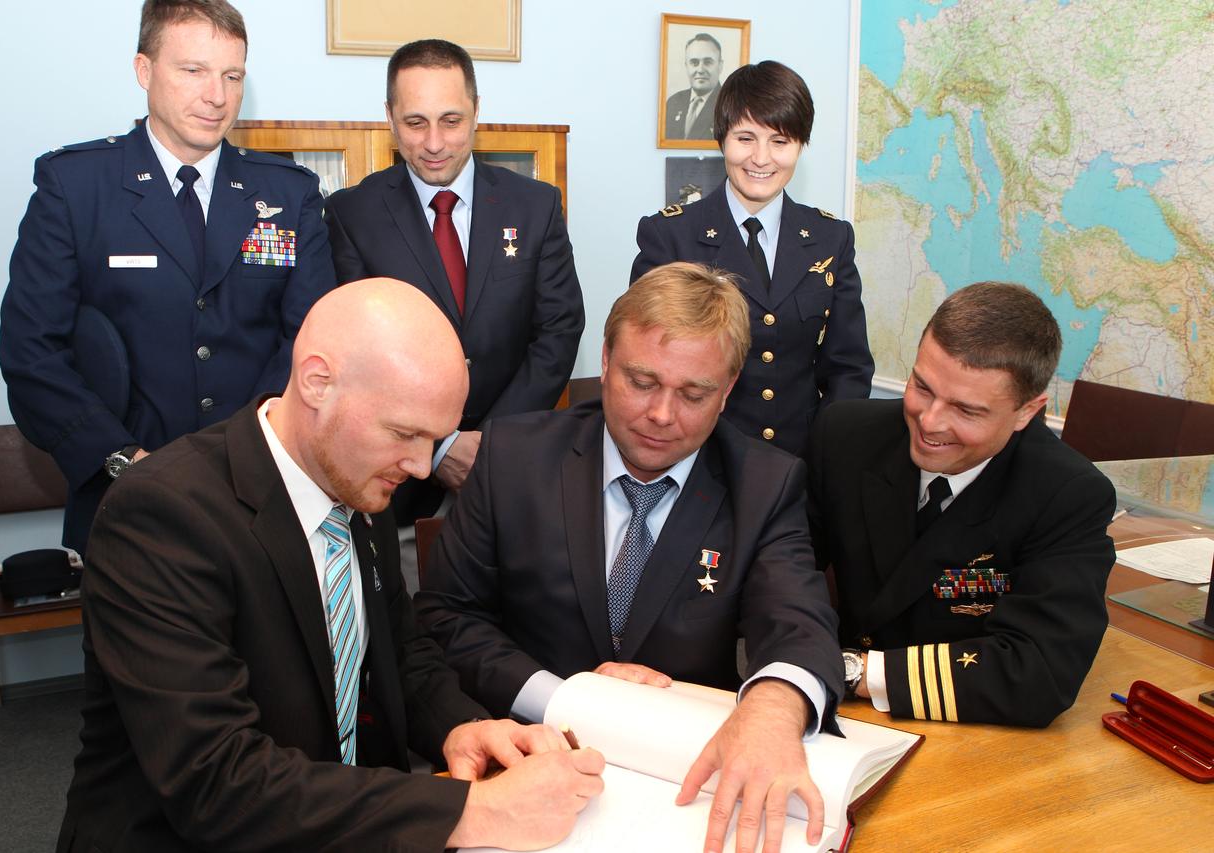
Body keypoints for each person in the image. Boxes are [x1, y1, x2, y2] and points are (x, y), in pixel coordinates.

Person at [56, 279, 605, 851]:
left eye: (434, 439)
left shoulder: (355, 482)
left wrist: (464, 726)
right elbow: (215, 782)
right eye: (404, 433)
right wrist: (477, 810)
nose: (421, 466)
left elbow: (400, 655)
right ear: (318, 383)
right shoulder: (163, 515)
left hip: (336, 818)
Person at [418, 262, 844, 853]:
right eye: (641, 382)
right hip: (518, 762)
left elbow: (798, 622)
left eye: (694, 394)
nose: (662, 415)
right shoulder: (513, 456)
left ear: (728, 389)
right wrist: (569, 698)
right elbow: (446, 618)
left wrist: (774, 709)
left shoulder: (764, 485)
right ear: (606, 358)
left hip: (679, 786)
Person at [0, 0, 334, 557]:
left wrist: (247, 454)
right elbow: (31, 353)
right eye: (193, 70)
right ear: (144, 71)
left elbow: (311, 338)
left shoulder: (287, 194)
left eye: (232, 76)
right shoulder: (76, 187)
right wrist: (124, 461)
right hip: (122, 499)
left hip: (260, 493)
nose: (217, 95)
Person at [807, 281, 1117, 728]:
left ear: (1028, 412)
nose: (930, 422)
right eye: (922, 387)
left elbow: (1039, 672)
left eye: (966, 411)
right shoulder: (844, 436)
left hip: (967, 729)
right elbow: (781, 571)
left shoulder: (1066, 494)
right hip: (835, 714)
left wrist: (853, 670)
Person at [324, 38, 584, 526]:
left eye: (451, 120)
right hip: (398, 480)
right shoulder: (352, 214)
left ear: (477, 111)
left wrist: (492, 442)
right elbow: (353, 355)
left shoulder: (535, 205)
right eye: (415, 122)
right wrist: (439, 446)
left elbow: (559, 330)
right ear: (389, 116)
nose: (435, 143)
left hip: (515, 468)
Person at [634, 60, 873, 457]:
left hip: (800, 464)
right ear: (722, 140)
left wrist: (828, 455)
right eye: (745, 138)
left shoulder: (832, 239)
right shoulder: (670, 237)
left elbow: (848, 368)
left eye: (780, 141)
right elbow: (650, 364)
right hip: (701, 461)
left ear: (801, 147)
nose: (761, 158)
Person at [663, 32, 724, 140]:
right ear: (686, 66)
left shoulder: (729, 104)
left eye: (708, 62)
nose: (700, 70)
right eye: (694, 63)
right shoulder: (673, 102)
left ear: (720, 66)